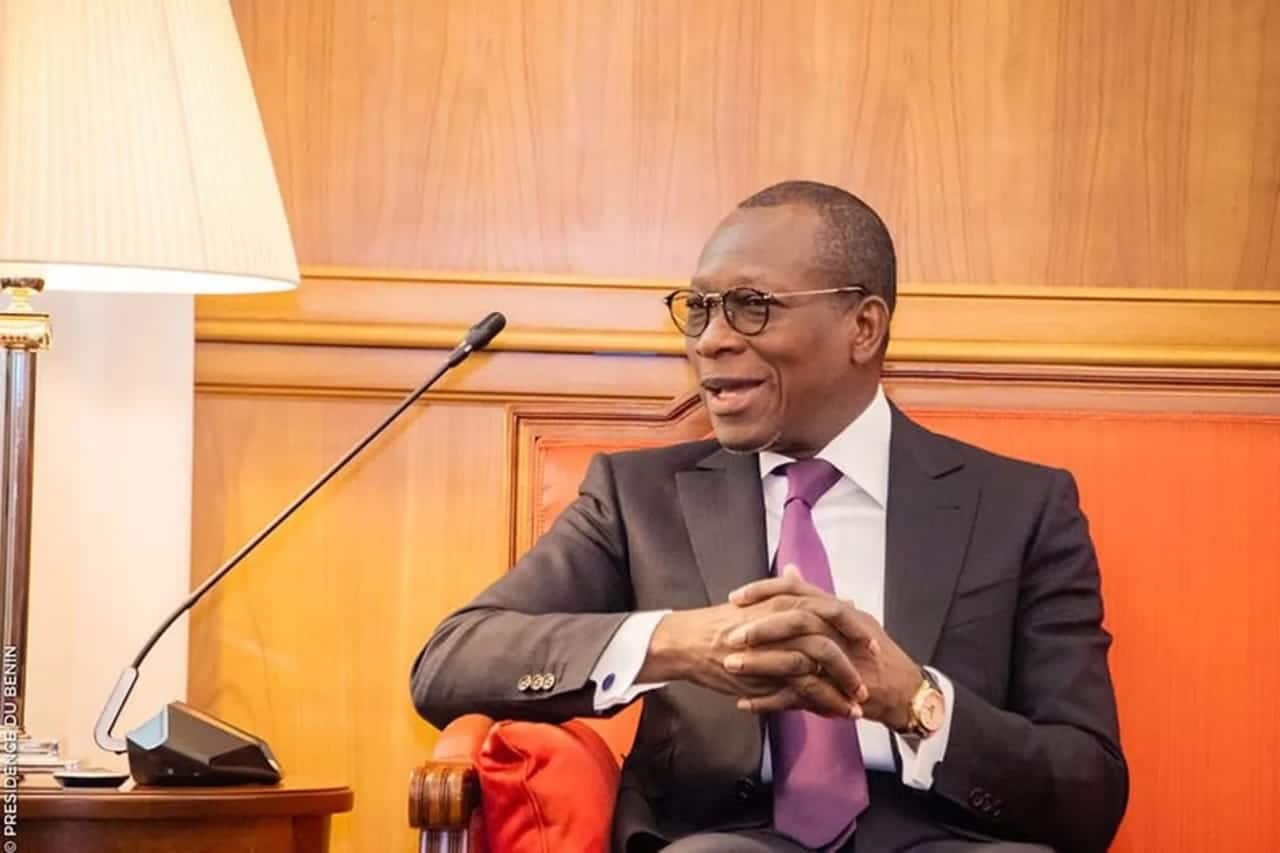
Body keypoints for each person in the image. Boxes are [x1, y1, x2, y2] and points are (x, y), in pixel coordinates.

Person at [411, 180, 1128, 853]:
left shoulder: (1020, 508)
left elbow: (1090, 792)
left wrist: (916, 702)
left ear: (863, 327)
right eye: (699, 308)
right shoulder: (639, 498)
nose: (711, 339)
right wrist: (677, 641)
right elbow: (451, 661)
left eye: (751, 305)